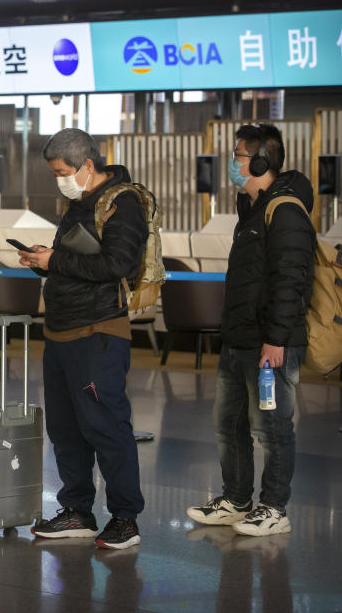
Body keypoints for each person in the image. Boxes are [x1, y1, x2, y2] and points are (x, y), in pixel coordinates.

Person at [17, 128, 147, 550]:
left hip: (98, 330)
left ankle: (125, 518)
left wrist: (56, 259)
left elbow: (118, 264)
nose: (60, 179)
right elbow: (74, 263)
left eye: (63, 171)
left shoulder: (123, 203)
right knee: (66, 428)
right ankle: (77, 510)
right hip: (60, 329)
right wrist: (45, 262)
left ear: (88, 165)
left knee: (105, 425)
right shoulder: (78, 204)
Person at [186, 124, 315, 536]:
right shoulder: (253, 209)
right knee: (229, 424)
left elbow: (291, 279)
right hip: (239, 338)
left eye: (239, 155)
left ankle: (274, 508)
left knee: (273, 428)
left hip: (270, 343)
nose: (233, 162)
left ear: (261, 162)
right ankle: (237, 500)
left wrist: (275, 338)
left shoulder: (286, 210)